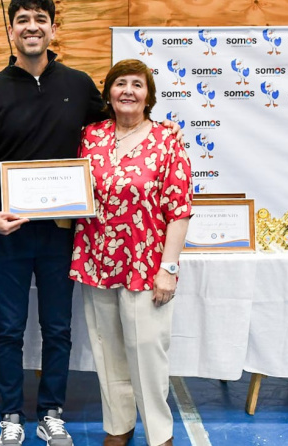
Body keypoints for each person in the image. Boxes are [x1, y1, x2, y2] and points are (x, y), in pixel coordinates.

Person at [0, 2, 183, 444]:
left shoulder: (79, 85)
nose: (32, 28)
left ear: (52, 28)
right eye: (23, 21)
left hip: (63, 235)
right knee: (8, 329)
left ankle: (51, 411)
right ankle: (11, 414)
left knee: (58, 329)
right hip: (7, 234)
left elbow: (121, 130)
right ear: (12, 30)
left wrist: (164, 133)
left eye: (40, 20)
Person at [69, 59, 193, 446]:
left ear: (148, 96)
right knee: (108, 353)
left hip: (146, 264)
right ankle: (118, 427)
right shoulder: (91, 136)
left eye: (137, 85)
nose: (127, 91)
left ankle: (159, 434)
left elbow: (179, 210)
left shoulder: (167, 140)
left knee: (147, 353)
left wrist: (168, 268)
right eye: (120, 83)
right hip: (97, 260)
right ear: (108, 93)